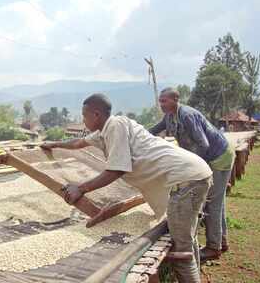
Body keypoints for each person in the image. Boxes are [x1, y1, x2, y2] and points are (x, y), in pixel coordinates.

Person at [41, 93, 212, 283]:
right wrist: (54, 144)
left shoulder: (115, 126)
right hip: (192, 175)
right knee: (187, 239)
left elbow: (116, 170)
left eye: (84, 115)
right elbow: (78, 142)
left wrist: (80, 188)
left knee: (181, 251)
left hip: (186, 180)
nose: (83, 120)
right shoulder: (102, 133)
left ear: (96, 115)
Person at [149, 87, 235, 262]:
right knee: (218, 202)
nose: (161, 104)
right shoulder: (169, 117)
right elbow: (153, 130)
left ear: (175, 99)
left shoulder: (186, 116)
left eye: (164, 101)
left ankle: (213, 248)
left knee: (212, 204)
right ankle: (221, 241)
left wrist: (194, 169)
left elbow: (203, 144)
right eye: (160, 101)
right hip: (213, 158)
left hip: (218, 158)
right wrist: (135, 135)